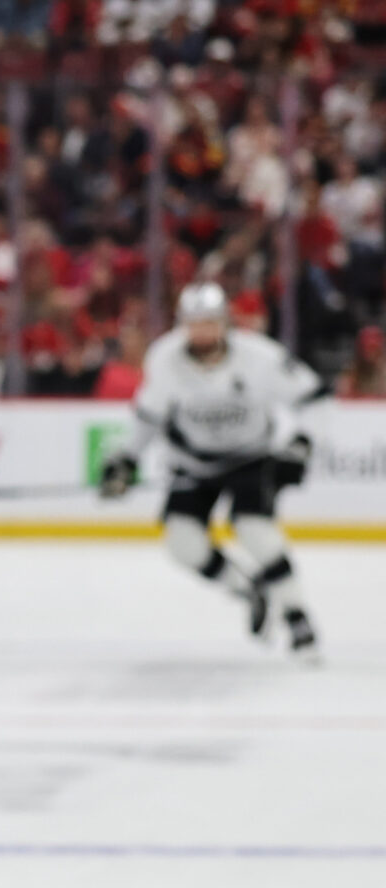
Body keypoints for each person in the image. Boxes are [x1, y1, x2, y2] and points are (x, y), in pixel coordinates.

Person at [101, 282, 326, 659]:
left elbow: (316, 400)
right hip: (193, 462)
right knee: (182, 543)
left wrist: (300, 445)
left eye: (209, 323)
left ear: (225, 323)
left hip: (250, 457)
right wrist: (126, 459)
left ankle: (295, 614)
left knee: (255, 530)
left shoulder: (260, 357)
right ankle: (248, 589)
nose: (201, 332)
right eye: (193, 323)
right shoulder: (164, 358)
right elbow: (148, 418)